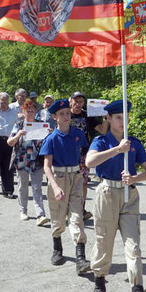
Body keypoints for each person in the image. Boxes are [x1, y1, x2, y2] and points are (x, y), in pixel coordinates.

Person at [85, 100, 146, 292]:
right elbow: (89, 162)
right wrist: (117, 149)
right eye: (118, 117)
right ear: (108, 119)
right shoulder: (101, 141)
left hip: (130, 196)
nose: (122, 121)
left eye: (125, 116)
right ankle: (99, 284)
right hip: (107, 193)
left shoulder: (134, 142)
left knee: (133, 247)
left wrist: (135, 178)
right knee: (104, 242)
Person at [40, 99, 90, 274]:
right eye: (61, 114)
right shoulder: (51, 139)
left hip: (76, 177)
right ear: (54, 117)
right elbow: (47, 166)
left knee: (77, 216)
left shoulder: (78, 134)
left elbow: (84, 154)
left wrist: (86, 171)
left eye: (67, 113)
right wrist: (54, 186)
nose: (66, 116)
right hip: (59, 177)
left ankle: (81, 258)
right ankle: (57, 249)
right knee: (58, 216)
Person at [7, 99, 51, 226]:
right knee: (22, 187)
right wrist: (18, 135)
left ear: (36, 111)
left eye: (32, 110)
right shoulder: (19, 125)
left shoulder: (42, 124)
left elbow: (48, 141)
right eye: (28, 110)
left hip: (36, 161)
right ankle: (23, 210)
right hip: (22, 160)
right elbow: (9, 142)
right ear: (23, 111)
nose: (30, 113)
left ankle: (40, 214)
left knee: (37, 188)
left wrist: (50, 133)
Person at [69, 91, 107, 221]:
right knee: (69, 183)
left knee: (83, 183)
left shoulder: (87, 115)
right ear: (70, 101)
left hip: (83, 153)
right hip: (67, 154)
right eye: (76, 101)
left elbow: (102, 130)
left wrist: (106, 118)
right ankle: (68, 209)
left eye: (80, 102)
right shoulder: (65, 114)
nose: (78, 104)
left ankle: (81, 209)